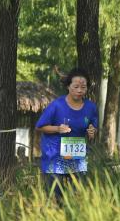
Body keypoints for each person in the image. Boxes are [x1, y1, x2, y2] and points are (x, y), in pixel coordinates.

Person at [35, 68, 99, 204]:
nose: (79, 90)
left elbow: (93, 128)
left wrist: (92, 131)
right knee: (55, 198)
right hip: (55, 157)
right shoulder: (56, 105)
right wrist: (58, 128)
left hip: (77, 158)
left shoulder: (91, 108)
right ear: (68, 87)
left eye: (83, 87)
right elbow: (40, 126)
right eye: (76, 87)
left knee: (77, 198)